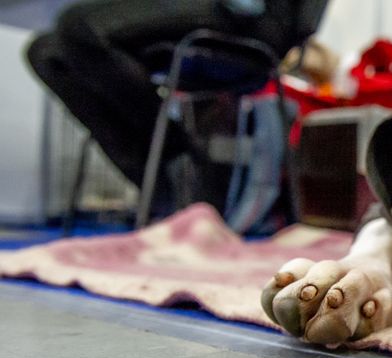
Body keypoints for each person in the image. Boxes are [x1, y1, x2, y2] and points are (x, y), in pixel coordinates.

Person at [26, 0, 326, 211]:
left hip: (255, 17)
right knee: (46, 53)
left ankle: (177, 155)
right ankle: (163, 182)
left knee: (78, 25)